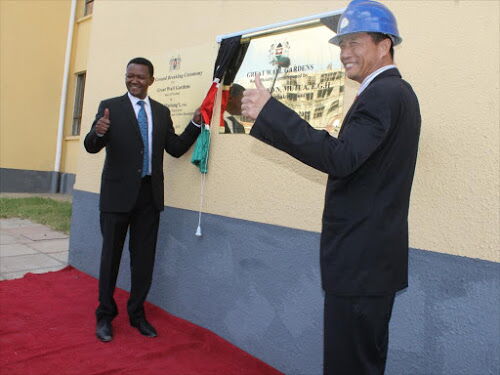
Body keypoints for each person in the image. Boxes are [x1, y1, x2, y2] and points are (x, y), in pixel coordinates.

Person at [241, 1, 421, 374]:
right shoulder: (392, 94)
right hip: (368, 265)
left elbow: (339, 158)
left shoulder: (384, 95)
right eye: (341, 44)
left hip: (360, 265)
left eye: (354, 42)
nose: (344, 53)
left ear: (384, 44)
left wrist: (272, 113)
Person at [84, 57, 201, 342]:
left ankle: (137, 314)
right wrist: (96, 133)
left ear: (151, 80)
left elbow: (174, 148)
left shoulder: (161, 112)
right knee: (110, 259)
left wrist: (195, 125)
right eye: (129, 75)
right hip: (116, 197)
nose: (134, 80)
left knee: (143, 261)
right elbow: (91, 146)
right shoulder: (110, 107)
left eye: (140, 76)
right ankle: (105, 316)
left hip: (149, 197)